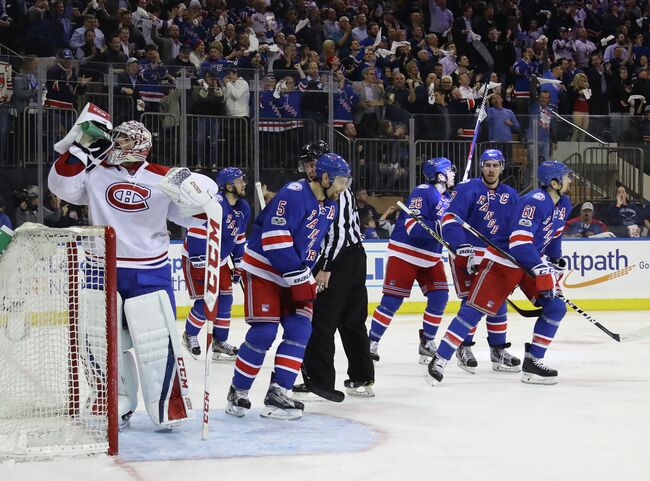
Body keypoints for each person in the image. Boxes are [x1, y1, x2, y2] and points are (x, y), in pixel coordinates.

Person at [48, 112, 214, 429]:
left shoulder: (166, 178)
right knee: (99, 340)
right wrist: (79, 147)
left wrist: (205, 198)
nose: (114, 142)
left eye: (122, 137)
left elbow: (194, 217)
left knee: (158, 341)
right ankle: (114, 401)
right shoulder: (95, 172)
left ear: (138, 144)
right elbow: (61, 187)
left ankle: (169, 404)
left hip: (149, 270)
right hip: (101, 267)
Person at [226, 153, 351, 420]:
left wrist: (310, 271)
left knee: (300, 329)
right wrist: (299, 275)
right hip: (264, 270)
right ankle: (238, 390)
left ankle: (278, 392)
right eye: (341, 181)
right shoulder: (294, 193)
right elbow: (274, 239)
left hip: (295, 272)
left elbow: (317, 243)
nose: (344, 188)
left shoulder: (331, 205)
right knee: (264, 332)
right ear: (325, 177)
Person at [428, 161, 573, 385]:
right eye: (566, 177)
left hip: (528, 262)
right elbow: (519, 242)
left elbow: (554, 235)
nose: (570, 180)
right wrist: (541, 268)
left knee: (555, 307)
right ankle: (439, 359)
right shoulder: (536, 202)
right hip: (504, 261)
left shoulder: (564, 203)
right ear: (554, 182)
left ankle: (533, 361)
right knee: (473, 311)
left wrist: (555, 258)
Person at [297, 141, 375, 399]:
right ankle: (361, 377)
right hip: (353, 256)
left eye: (312, 164)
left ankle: (319, 382)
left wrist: (326, 267)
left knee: (321, 320)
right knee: (352, 321)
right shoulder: (331, 185)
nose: (310, 170)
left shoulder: (335, 190)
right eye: (307, 165)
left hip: (338, 259)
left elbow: (336, 234)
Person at [440, 149, 521, 373]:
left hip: (494, 257)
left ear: (502, 167)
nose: (491, 169)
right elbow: (449, 220)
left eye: (496, 165)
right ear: (481, 166)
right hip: (465, 254)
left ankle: (498, 350)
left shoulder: (511, 195)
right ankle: (463, 347)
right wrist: (459, 245)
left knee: (498, 303)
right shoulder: (467, 189)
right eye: (487, 165)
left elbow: (517, 228)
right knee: (471, 303)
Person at [368, 158, 455, 364]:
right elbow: (413, 228)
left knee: (440, 296)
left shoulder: (449, 198)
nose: (453, 173)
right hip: (405, 253)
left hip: (430, 257)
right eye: (450, 170)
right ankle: (371, 341)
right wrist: (442, 227)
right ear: (440, 175)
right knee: (392, 301)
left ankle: (427, 342)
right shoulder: (423, 191)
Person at [181, 167, 250, 361]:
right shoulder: (214, 204)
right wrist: (200, 260)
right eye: (239, 181)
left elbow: (239, 238)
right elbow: (196, 230)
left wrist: (238, 263)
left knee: (226, 299)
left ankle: (219, 342)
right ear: (228, 186)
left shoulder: (243, 207)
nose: (244, 183)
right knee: (207, 299)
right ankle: (190, 335)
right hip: (198, 257)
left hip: (219, 260)